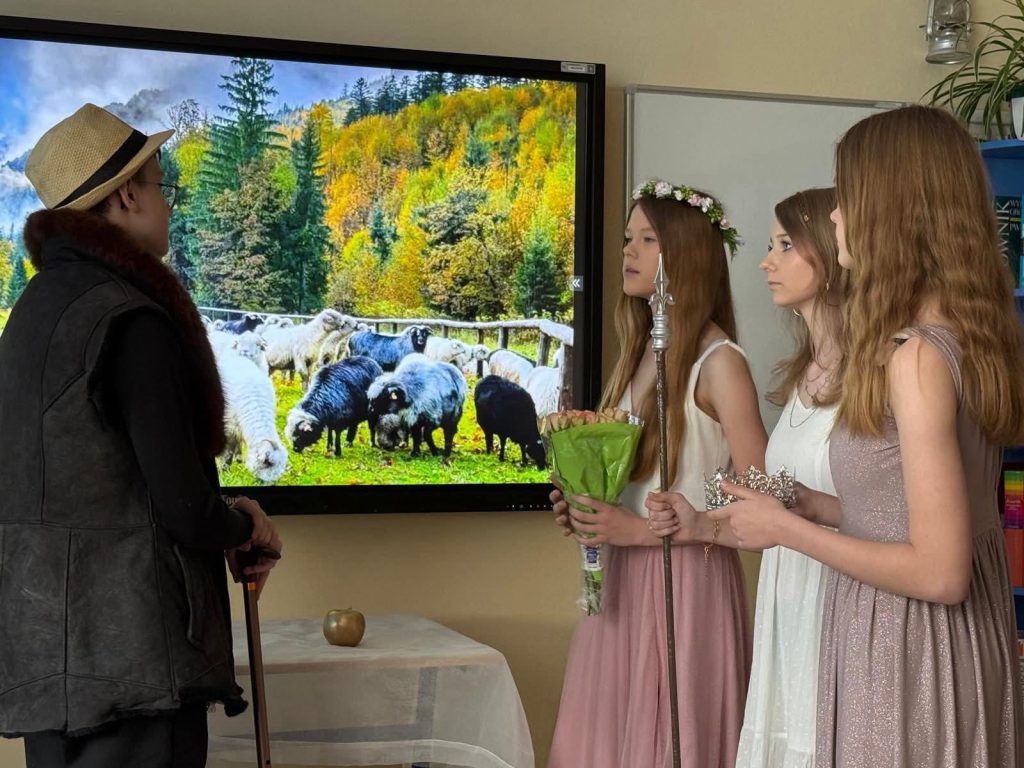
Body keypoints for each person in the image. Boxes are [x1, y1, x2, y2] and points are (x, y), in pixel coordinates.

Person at [707, 105, 1024, 766]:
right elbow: (923, 517)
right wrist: (815, 507)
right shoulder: (972, 337)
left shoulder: (916, 357)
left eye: (847, 196)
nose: (835, 215)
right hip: (949, 651)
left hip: (908, 657)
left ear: (891, 210)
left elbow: (940, 572)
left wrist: (787, 531)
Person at [0, 103, 282, 767]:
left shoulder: (32, 315)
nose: (169, 203)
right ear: (127, 195)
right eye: (163, 185)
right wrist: (244, 528)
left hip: (47, 659)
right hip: (138, 666)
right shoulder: (131, 319)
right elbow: (183, 506)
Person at [547, 179, 767, 768]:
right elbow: (631, 480)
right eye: (628, 238)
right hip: (621, 581)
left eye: (648, 239)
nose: (628, 250)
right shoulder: (638, 352)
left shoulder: (719, 364)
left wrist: (642, 531)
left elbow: (765, 506)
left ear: (686, 256)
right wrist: (587, 507)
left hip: (684, 584)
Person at [648, 187, 844, 768]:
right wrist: (699, 523)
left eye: (784, 245)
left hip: (838, 598)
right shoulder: (804, 371)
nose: (765, 262)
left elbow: (877, 509)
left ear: (830, 253)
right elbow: (776, 512)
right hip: (789, 596)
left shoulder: (878, 371)